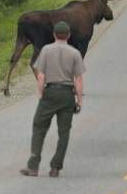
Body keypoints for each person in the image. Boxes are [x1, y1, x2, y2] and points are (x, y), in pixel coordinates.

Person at [20, 21, 85, 178]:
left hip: (50, 92)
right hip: (67, 94)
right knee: (64, 132)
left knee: (39, 127)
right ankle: (56, 167)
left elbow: (41, 75)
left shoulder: (46, 50)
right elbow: (78, 79)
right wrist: (79, 100)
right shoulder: (75, 53)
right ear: (68, 35)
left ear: (54, 35)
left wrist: (41, 93)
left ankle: (33, 165)